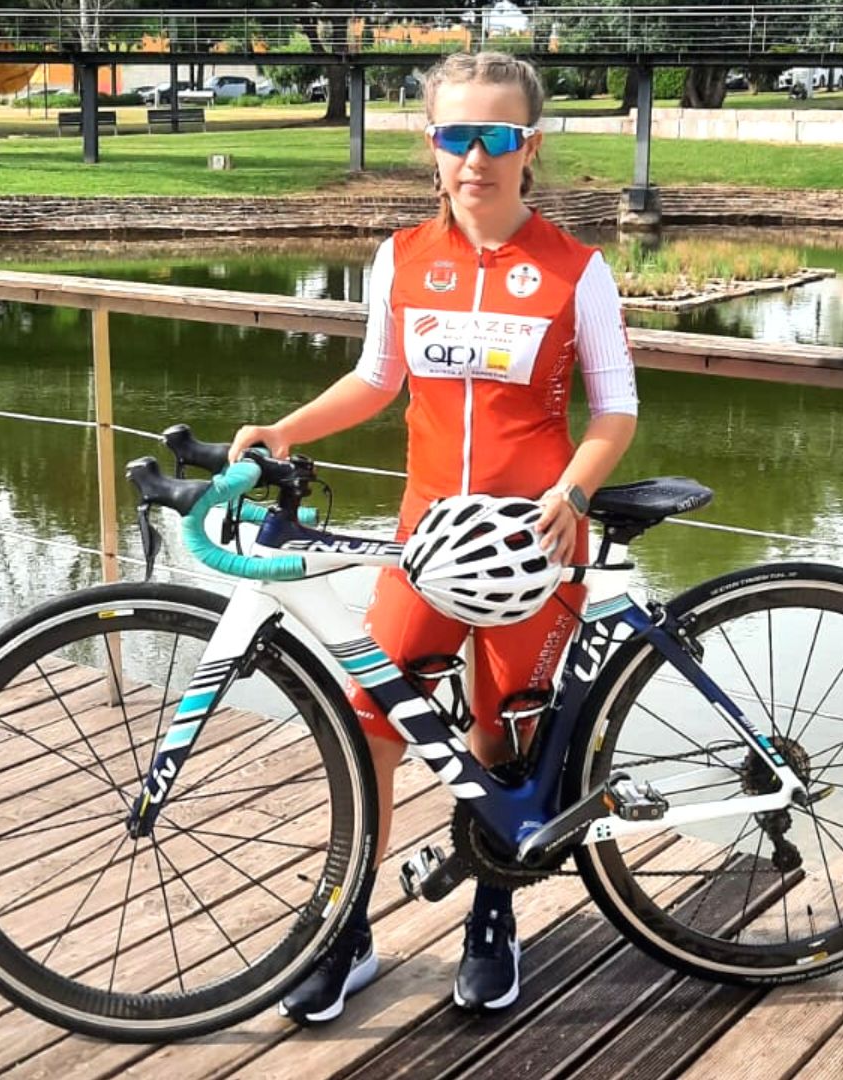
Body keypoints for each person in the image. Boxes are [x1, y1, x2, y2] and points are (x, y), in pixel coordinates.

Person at [228, 51, 638, 1024]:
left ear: (529, 146)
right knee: (370, 725)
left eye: (496, 136)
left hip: (534, 543)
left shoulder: (577, 270)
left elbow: (616, 410)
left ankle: (494, 912)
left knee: (504, 733)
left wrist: (574, 492)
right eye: (457, 135)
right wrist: (286, 429)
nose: (475, 157)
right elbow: (376, 379)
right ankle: (346, 927)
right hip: (424, 539)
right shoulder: (403, 257)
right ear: (433, 145)